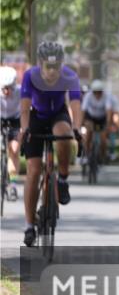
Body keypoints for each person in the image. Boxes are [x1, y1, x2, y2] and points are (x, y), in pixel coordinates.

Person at [17, 42, 83, 246]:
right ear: (40, 63)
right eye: (48, 66)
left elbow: (75, 106)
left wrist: (77, 130)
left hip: (57, 115)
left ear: (62, 64)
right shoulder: (30, 76)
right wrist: (25, 130)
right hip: (36, 117)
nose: (52, 71)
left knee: (64, 135)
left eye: (56, 67)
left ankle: (62, 179)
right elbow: (25, 109)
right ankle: (29, 225)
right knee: (34, 171)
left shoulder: (70, 77)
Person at [80, 80, 119, 165]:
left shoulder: (107, 96)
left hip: (102, 118)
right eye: (95, 92)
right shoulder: (88, 96)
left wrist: (108, 125)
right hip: (91, 117)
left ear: (102, 91)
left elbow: (109, 111)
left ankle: (102, 156)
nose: (97, 94)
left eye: (99, 92)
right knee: (88, 135)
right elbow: (83, 111)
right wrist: (81, 123)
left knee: (103, 139)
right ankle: (87, 156)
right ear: (92, 91)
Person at [1, 66, 22, 198]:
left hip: (15, 120)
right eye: (4, 88)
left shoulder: (20, 92)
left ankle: (13, 183)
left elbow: (27, 107)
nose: (7, 91)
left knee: (14, 150)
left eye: (9, 88)